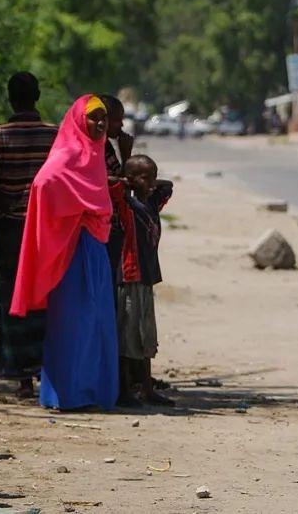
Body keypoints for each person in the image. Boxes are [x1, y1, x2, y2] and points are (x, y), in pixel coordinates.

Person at [11, 95, 119, 411]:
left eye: (104, 118)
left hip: (94, 248)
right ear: (78, 120)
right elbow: (44, 183)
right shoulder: (69, 151)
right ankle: (68, 395)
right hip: (74, 248)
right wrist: (75, 213)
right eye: (93, 118)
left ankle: (93, 392)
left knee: (96, 321)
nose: (100, 124)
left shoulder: (94, 153)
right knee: (74, 322)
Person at [0, 72, 57, 397]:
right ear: (37, 95)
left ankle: (20, 375)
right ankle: (45, 368)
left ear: (10, 98)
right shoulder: (54, 134)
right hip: (44, 228)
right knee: (44, 295)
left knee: (12, 295)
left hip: (8, 225)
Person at [113, 154, 174, 407]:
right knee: (127, 334)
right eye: (144, 178)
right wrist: (128, 183)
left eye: (152, 176)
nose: (150, 183)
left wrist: (146, 183)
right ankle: (124, 388)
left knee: (146, 334)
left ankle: (147, 388)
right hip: (129, 276)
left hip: (146, 278)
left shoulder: (150, 203)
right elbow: (111, 187)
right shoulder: (126, 206)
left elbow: (168, 186)